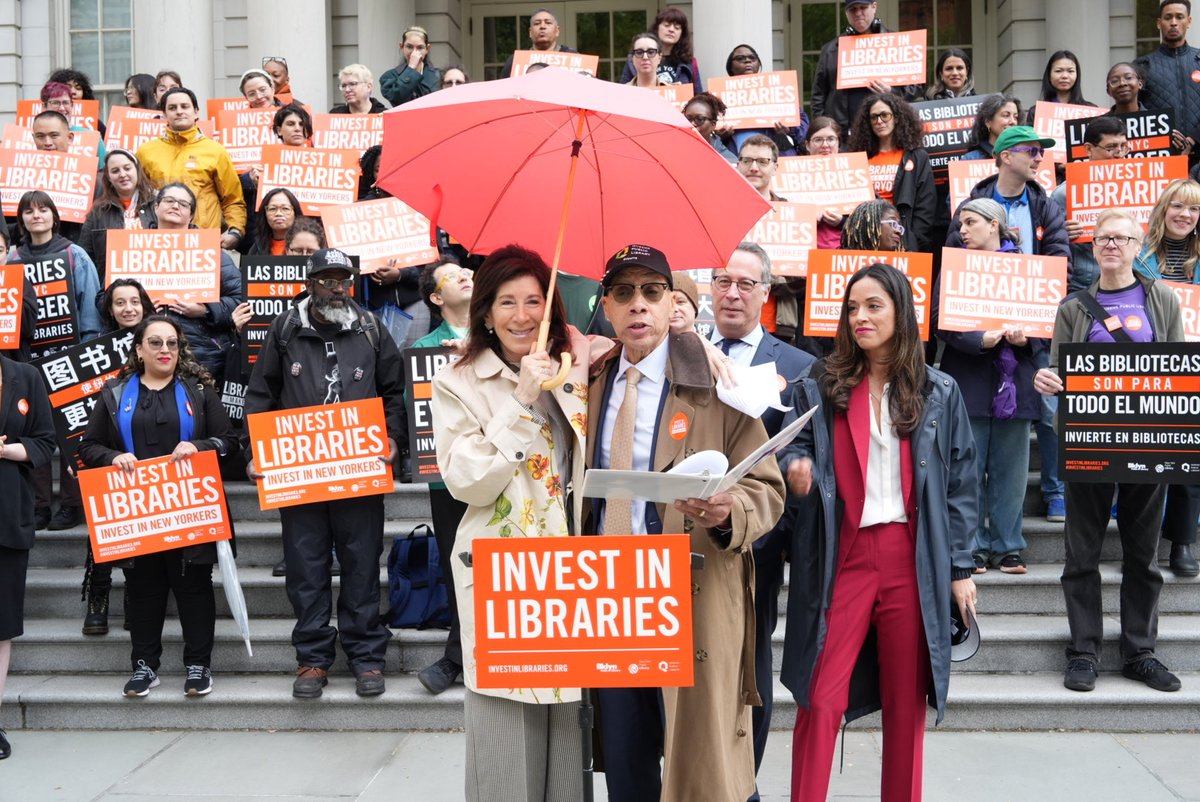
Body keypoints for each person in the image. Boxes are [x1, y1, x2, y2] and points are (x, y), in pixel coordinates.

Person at [588, 243, 785, 802]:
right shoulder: (589, 381)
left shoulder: (719, 385)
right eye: (624, 293)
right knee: (625, 761)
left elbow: (766, 490)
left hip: (688, 593)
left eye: (652, 292)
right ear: (605, 305)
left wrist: (729, 513)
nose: (638, 307)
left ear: (673, 301)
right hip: (610, 598)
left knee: (698, 765)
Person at [779, 262, 978, 802]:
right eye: (852, 308)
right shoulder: (819, 384)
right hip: (840, 555)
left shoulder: (939, 390)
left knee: (905, 702)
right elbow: (792, 444)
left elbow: (960, 482)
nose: (860, 317)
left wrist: (960, 569)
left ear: (900, 312)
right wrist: (795, 467)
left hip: (910, 559)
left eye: (874, 306)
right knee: (820, 698)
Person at [429, 245, 593, 801]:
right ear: (485, 311)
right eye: (507, 302)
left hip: (573, 576)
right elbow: (467, 480)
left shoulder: (579, 369)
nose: (523, 315)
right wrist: (521, 399)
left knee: (568, 749)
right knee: (506, 749)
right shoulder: (459, 380)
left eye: (534, 300)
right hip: (504, 577)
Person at [1033, 209, 1185, 694]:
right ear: (1092, 248)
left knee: (1143, 555)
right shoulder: (1074, 308)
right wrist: (1047, 381)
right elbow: (1058, 372)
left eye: (1121, 238)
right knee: (1082, 553)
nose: (1112, 245)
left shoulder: (1161, 298)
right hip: (1090, 442)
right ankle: (1084, 650)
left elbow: (1178, 367)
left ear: (1139, 246)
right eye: (1103, 238)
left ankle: (1140, 651)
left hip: (1148, 439)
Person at [244, 248, 402, 699]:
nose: (336, 288)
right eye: (327, 280)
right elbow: (261, 395)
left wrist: (392, 438)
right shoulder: (286, 329)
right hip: (299, 472)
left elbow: (393, 390)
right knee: (305, 567)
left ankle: (366, 656)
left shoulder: (371, 328)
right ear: (309, 282)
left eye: (343, 280)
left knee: (361, 563)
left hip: (359, 469)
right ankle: (312, 659)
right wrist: (258, 451)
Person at [78, 315, 237, 698]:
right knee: (143, 589)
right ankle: (144, 666)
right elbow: (87, 446)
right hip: (138, 511)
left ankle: (198, 665)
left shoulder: (198, 390)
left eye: (172, 343)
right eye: (155, 343)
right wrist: (113, 456)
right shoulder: (115, 393)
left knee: (194, 588)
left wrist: (199, 446)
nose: (164, 350)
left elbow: (229, 441)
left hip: (190, 509)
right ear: (138, 350)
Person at [710, 243, 815, 794]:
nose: (731, 292)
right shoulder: (682, 349)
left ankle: (745, 782)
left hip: (761, 541)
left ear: (765, 294)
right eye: (722, 280)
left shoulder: (797, 366)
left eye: (745, 283)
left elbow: (810, 449)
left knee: (749, 665)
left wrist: (800, 468)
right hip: (687, 535)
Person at [938, 198, 1043, 575]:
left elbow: (1048, 322)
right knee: (968, 470)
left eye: (969, 222)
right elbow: (939, 320)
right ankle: (973, 547)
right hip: (968, 379)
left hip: (1016, 382)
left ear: (994, 225)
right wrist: (977, 339)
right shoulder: (953, 267)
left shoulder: (1029, 269)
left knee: (1012, 472)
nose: (962, 230)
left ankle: (1008, 546)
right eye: (960, 224)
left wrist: (1024, 340)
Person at [12, 190, 103, 531]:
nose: (36, 216)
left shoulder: (74, 253)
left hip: (70, 356)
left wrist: (86, 352)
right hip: (25, 360)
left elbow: (90, 309)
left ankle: (71, 503)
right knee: (33, 432)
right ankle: (38, 506)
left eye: (43, 209)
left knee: (72, 433)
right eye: (29, 211)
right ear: (20, 218)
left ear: (54, 215)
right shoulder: (12, 259)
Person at [405, 257, 473, 696]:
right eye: (453, 276)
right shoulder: (426, 347)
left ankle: (464, 655)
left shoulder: (503, 337)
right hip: (446, 477)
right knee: (456, 565)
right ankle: (460, 654)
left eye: (468, 271)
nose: (466, 275)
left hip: (500, 472)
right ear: (435, 297)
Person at [1127, 179, 1200, 577]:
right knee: (1147, 462)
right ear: (1163, 209)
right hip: (1148, 370)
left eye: (1193, 210)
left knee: (1188, 460)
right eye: (1178, 206)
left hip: (1195, 370)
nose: (1185, 215)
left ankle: (1183, 543)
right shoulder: (1138, 255)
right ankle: (1143, 544)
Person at [0, 351, 56, 759]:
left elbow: (43, 441)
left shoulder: (24, 375)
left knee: (1, 624)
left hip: (6, 514)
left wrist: (6, 450)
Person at [145, 182, 242, 379]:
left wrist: (206, 310)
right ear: (156, 207)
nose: (175, 206)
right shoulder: (132, 248)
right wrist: (136, 306)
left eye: (183, 203)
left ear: (191, 215)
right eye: (169, 200)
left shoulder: (212, 252)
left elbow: (240, 300)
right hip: (145, 349)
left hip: (202, 354)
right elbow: (105, 298)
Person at [137, 87, 246, 250]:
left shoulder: (215, 151)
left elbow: (233, 198)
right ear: (164, 115)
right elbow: (137, 198)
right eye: (172, 108)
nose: (179, 111)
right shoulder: (145, 152)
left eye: (184, 106)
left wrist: (235, 231)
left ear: (196, 112)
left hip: (204, 241)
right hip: (158, 242)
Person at [811, 0, 921, 135]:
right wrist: (824, 129)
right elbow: (818, 96)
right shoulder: (830, 50)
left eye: (863, 8)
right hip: (843, 135)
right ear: (846, 13)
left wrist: (892, 91)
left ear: (874, 7)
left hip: (884, 134)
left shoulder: (897, 44)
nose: (858, 13)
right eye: (853, 10)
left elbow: (916, 87)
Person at [1050, 115, 1132, 292]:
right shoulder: (1064, 194)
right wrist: (1062, 235)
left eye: (1123, 147)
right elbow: (1050, 247)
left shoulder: (1141, 187)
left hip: (1130, 280)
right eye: (1111, 148)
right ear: (1088, 149)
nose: (1119, 154)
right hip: (1084, 285)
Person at [848, 94, 936, 252]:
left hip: (902, 239)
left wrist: (911, 240)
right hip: (865, 239)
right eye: (874, 117)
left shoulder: (916, 156)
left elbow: (925, 206)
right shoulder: (860, 157)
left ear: (896, 118)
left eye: (885, 115)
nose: (879, 121)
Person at [79, 148, 158, 283]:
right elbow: (86, 255)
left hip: (153, 284)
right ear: (109, 178)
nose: (122, 174)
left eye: (127, 168)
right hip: (113, 289)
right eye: (115, 171)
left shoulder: (158, 204)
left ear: (137, 170)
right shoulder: (98, 211)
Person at [720, 44, 808, 156]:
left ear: (758, 64)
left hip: (776, 159)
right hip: (734, 159)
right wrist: (720, 136)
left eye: (752, 58)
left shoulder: (777, 90)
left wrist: (789, 129)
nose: (747, 61)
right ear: (730, 67)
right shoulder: (720, 96)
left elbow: (804, 132)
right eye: (740, 58)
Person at [1135, 1, 1200, 149]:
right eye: (1168, 17)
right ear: (1159, 23)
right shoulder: (1143, 65)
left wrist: (1195, 138)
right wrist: (1162, 132)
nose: (1173, 23)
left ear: (1189, 21)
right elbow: (1134, 109)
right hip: (1161, 155)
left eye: (1179, 17)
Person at [618, 6, 702, 92]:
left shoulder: (689, 63)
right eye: (667, 25)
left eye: (677, 27)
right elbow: (623, 92)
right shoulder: (635, 58)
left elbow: (699, 96)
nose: (671, 30)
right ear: (657, 28)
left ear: (682, 34)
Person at [498, 9, 578, 78]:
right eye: (537, 23)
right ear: (530, 32)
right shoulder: (515, 60)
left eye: (548, 22)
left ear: (557, 31)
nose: (542, 26)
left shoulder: (573, 57)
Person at [40, 81, 107, 163]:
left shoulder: (93, 139)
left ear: (72, 106)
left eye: (66, 103)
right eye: (55, 103)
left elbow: (103, 173)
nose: (62, 108)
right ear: (44, 107)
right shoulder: (30, 139)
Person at [806, 118, 847, 248]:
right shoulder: (791, 175)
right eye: (818, 140)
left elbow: (869, 220)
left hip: (844, 252)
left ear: (838, 142)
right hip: (806, 252)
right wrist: (805, 219)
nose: (825, 145)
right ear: (807, 145)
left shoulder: (855, 172)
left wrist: (842, 221)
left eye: (830, 139)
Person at [381, 26, 441, 106]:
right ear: (401, 46)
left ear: (427, 49)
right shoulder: (389, 77)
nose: (414, 52)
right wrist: (411, 69)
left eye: (420, 47)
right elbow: (397, 98)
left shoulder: (439, 75)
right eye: (409, 47)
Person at [962, 94, 1022, 161]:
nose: (1013, 121)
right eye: (1006, 115)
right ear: (988, 122)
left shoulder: (1024, 156)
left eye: (1015, 117)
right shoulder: (971, 159)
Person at [245, 188, 303, 256]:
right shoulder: (256, 248)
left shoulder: (306, 246)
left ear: (295, 213)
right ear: (265, 214)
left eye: (285, 208)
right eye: (272, 209)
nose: (278, 213)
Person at [683, 92, 736, 164]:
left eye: (699, 119)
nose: (692, 124)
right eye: (688, 119)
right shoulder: (675, 152)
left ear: (713, 124)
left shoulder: (728, 160)